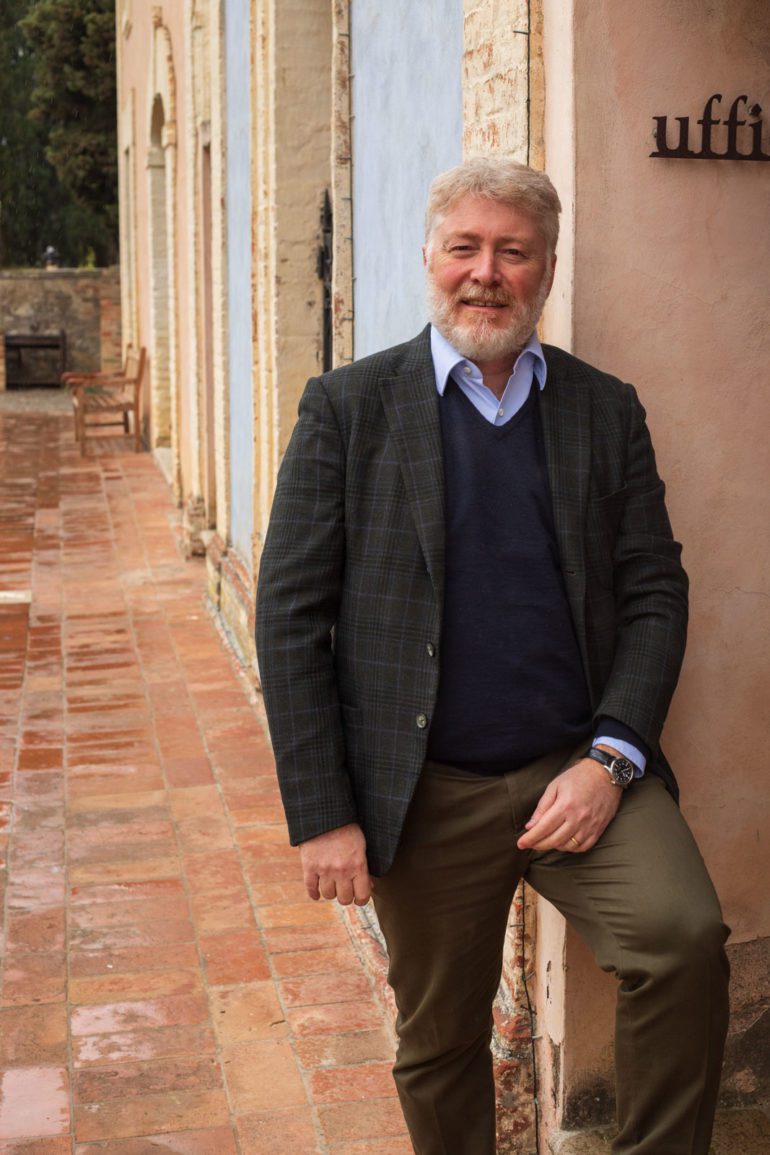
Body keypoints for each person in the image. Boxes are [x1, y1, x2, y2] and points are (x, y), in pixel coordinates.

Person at [255, 157, 729, 1155]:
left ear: (544, 269)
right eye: (464, 248)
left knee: (680, 942)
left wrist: (610, 760)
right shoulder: (348, 409)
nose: (485, 272)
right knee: (436, 1043)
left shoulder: (603, 410)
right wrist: (323, 812)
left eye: (510, 252)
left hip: (580, 768)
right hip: (422, 787)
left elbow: (653, 590)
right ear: (428, 259)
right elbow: (290, 614)